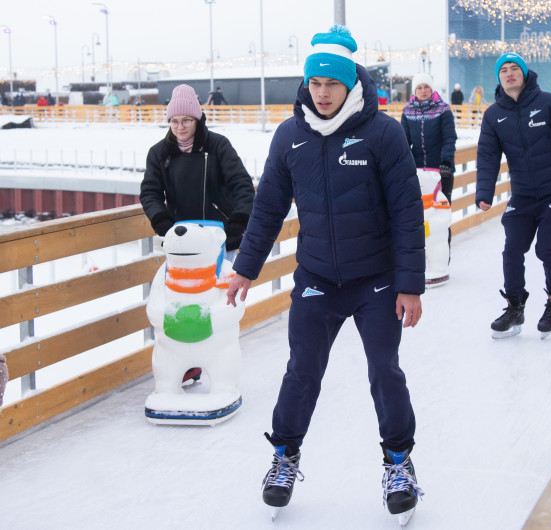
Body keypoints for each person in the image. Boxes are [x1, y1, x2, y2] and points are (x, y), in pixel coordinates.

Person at [224, 25, 425, 520]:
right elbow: (268, 207)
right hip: (316, 278)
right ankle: (284, 457)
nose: (323, 93)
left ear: (350, 83)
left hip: (375, 280)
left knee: (384, 372)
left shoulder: (382, 133)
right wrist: (244, 268)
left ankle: (399, 463)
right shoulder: (291, 136)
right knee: (302, 371)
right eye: (315, 84)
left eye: (332, 84)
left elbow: (406, 211)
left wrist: (410, 285)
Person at [476, 53, 551, 339]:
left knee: (545, 246)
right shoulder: (494, 115)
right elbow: (488, 156)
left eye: (515, 68)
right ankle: (515, 306)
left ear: (525, 74)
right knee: (512, 248)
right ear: (499, 78)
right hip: (524, 193)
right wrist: (484, 192)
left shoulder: (550, 104)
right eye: (503, 70)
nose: (509, 73)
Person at [140, 83, 254, 263]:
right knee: (182, 290)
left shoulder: (218, 145)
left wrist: (238, 221)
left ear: (197, 119)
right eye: (174, 121)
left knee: (222, 290)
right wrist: (161, 221)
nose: (180, 127)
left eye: (187, 120)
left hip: (221, 237)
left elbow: (241, 184)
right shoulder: (159, 153)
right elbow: (149, 192)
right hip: (181, 240)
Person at [401, 72, 457, 203]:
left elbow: (449, 138)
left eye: (426, 86)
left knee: (441, 207)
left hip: (441, 169)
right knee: (421, 209)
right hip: (418, 170)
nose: (423, 91)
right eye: (419, 88)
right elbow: (404, 141)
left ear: (432, 88)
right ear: (415, 91)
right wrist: (405, 163)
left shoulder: (443, 109)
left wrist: (446, 162)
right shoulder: (407, 111)